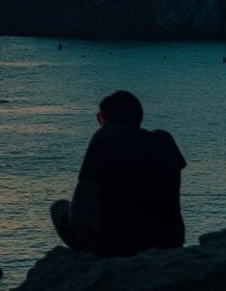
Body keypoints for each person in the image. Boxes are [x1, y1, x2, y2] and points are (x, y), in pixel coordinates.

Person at [51, 91, 186, 257]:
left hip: (120, 248)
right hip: (170, 241)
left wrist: (96, 141)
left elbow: (78, 218)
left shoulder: (102, 146)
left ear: (106, 122)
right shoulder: (164, 139)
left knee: (59, 208)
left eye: (100, 118)